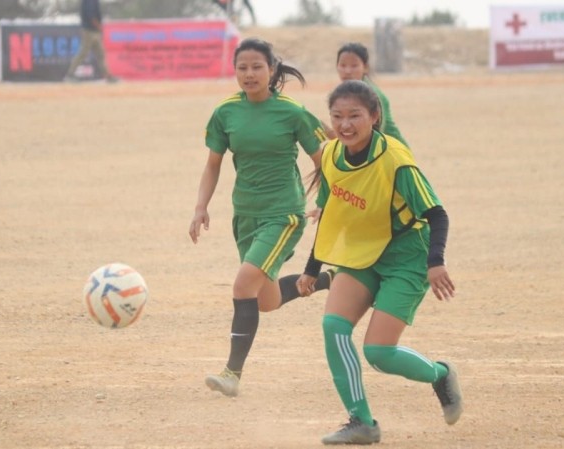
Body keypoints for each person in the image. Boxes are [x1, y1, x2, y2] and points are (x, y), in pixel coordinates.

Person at [296, 80, 463, 445]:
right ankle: (362, 422)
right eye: (337, 116)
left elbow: (437, 215)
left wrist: (436, 262)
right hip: (360, 254)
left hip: (407, 255)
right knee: (333, 327)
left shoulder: (395, 159)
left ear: (374, 116)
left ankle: (439, 374)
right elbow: (332, 216)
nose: (345, 124)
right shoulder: (330, 155)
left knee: (379, 352)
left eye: (355, 115)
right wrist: (312, 268)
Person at [189, 37, 332, 397]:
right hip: (246, 215)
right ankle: (331, 278)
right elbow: (212, 165)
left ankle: (232, 373)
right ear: (234, 70)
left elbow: (325, 161)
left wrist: (328, 202)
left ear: (271, 70)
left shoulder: (292, 112)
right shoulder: (225, 112)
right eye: (242, 67)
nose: (249, 74)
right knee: (265, 301)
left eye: (257, 67)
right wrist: (200, 206)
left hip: (283, 214)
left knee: (242, 285)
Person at [336, 43, 408, 147]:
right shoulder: (345, 93)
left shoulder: (371, 95)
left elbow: (374, 135)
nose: (347, 71)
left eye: (354, 66)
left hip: (391, 152)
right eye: (343, 65)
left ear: (365, 67)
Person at [64, 0, 118, 83]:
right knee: (83, 53)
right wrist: (99, 26)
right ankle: (69, 75)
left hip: (94, 31)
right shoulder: (90, 1)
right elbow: (91, 16)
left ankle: (108, 76)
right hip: (89, 31)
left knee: (100, 54)